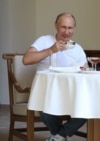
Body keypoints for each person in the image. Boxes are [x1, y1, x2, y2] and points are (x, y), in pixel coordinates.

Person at [23, 12, 88, 141]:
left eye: (70, 28)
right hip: (47, 92)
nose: (67, 31)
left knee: (87, 108)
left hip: (71, 92)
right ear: (55, 26)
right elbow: (26, 60)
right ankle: (60, 136)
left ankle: (59, 136)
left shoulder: (77, 48)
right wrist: (51, 50)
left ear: (74, 29)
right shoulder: (44, 41)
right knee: (46, 112)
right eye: (63, 27)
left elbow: (84, 70)